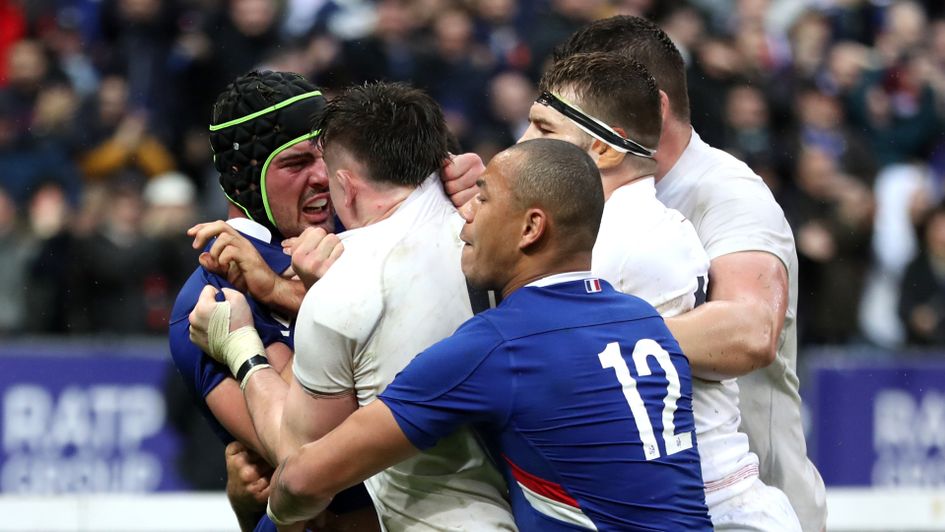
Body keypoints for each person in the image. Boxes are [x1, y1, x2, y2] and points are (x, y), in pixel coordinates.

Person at [251, 138, 714, 531]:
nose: (467, 217)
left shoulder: (496, 349)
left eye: (485, 199)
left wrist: (244, 355)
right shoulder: (643, 321)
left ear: (532, 228)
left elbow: (302, 479)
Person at [189, 81, 516, 531]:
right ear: (246, 178)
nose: (320, 176)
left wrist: (247, 344)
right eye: (296, 163)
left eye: (325, 158)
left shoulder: (351, 275)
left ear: (349, 178)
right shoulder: (206, 294)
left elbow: (302, 463)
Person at [555, 16, 827, 531]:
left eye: (569, 115)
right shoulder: (595, 199)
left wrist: (572, 342)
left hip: (748, 504)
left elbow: (749, 333)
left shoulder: (727, 192)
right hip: (660, 506)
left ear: (650, 107)